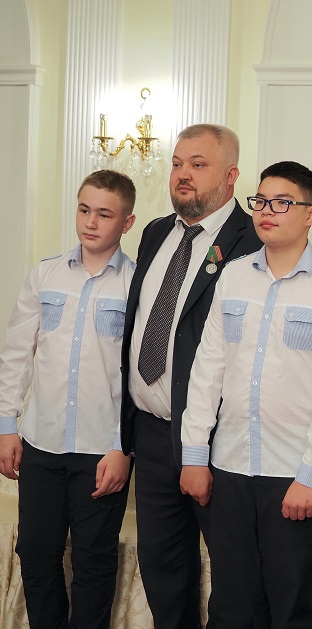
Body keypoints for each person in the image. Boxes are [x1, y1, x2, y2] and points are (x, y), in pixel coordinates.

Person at [179, 161, 312, 627]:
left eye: (282, 202)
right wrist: (194, 455)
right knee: (230, 606)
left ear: (311, 214)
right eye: (260, 201)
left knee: (289, 609)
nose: (266, 211)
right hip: (229, 467)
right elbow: (208, 370)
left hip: (295, 474)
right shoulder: (233, 275)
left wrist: (311, 474)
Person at [120, 123, 263, 629]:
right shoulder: (156, 232)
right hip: (152, 434)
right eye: (178, 163)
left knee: (235, 576)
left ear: (231, 175)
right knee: (163, 568)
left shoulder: (253, 240)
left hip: (218, 440)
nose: (183, 174)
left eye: (198, 165)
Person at [0, 170, 136, 628]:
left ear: (127, 222)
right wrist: (6, 425)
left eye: (104, 214)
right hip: (42, 442)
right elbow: (16, 354)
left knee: (94, 561)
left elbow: (140, 379)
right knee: (36, 553)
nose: (90, 222)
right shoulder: (46, 274)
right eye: (84, 210)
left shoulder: (137, 285)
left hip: (102, 449)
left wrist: (123, 447)